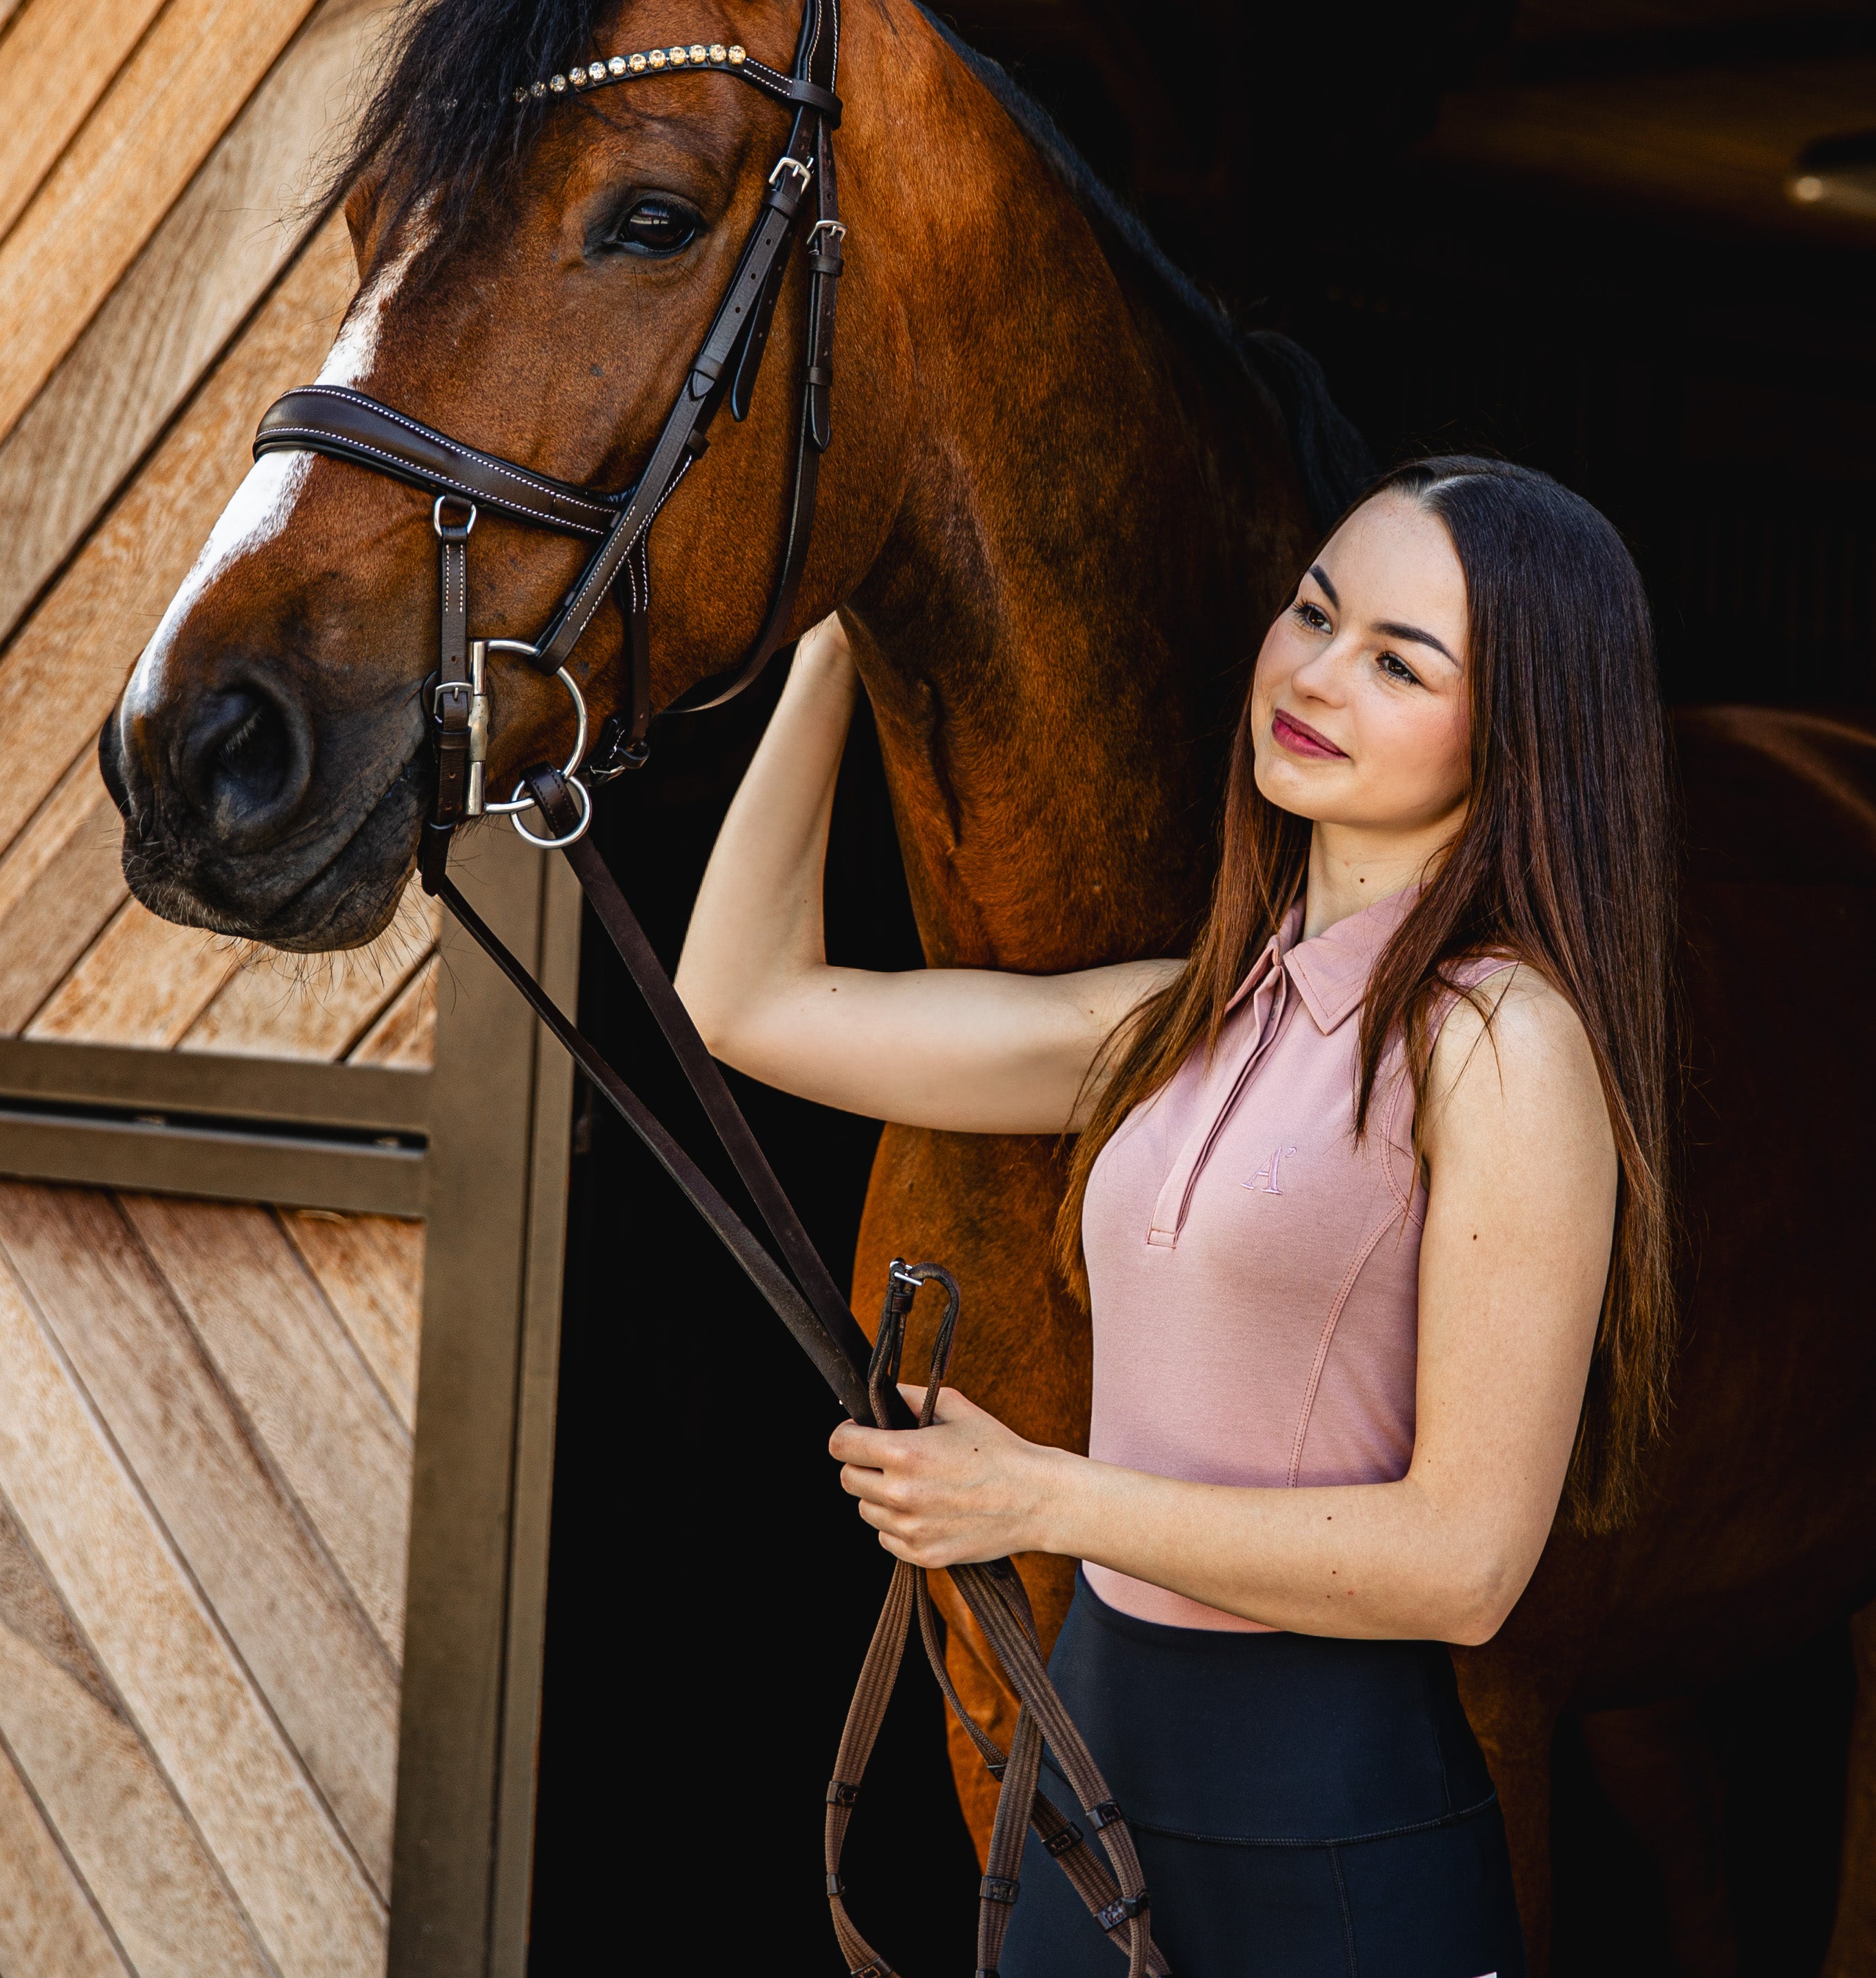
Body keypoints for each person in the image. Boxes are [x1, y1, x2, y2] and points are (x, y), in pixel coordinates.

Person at [675, 454, 1676, 1977]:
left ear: (1520, 728)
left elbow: (1466, 1562)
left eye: (1397, 659)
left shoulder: (1501, 1041)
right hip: (1093, 1800)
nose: (1316, 671)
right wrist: (833, 636)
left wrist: (1037, 1500)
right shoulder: (1180, 1018)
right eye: (1313, 613)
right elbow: (740, 999)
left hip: (1333, 1841)